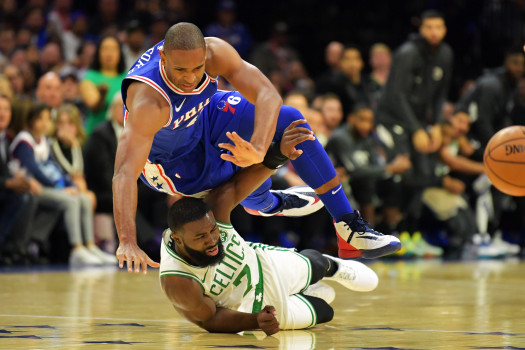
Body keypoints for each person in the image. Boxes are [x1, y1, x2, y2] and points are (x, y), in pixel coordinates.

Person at [114, 22, 400, 274]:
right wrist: (127, 240)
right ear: (163, 57)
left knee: (289, 119)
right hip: (173, 163)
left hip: (204, 115)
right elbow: (124, 174)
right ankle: (268, 205)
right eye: (180, 70)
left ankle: (347, 226)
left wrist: (259, 147)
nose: (190, 78)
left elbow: (267, 93)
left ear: (206, 54)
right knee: (234, 190)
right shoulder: (149, 103)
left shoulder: (216, 52)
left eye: (197, 68)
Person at [159, 120, 379, 334]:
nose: (211, 239)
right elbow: (211, 318)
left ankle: (337, 268)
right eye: (201, 237)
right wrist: (255, 321)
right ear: (178, 239)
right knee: (325, 310)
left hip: (263, 264)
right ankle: (303, 292)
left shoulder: (214, 211)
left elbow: (240, 185)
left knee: (319, 263)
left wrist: (278, 153)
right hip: (250, 306)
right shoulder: (178, 281)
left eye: (212, 231)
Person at [10, 104, 116, 267]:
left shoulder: (43, 140)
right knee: (71, 200)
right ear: (31, 121)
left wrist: (68, 185)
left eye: (47, 119)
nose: (45, 123)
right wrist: (60, 187)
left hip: (43, 187)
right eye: (40, 119)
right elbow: (35, 170)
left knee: (83, 199)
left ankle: (89, 245)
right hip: (28, 187)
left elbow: (54, 169)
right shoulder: (25, 140)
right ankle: (77, 248)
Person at [80, 35, 127, 135]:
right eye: (105, 49)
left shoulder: (128, 77)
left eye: (114, 49)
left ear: (120, 54)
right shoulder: (90, 77)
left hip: (122, 136)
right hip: (96, 137)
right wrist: (102, 96)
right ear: (98, 53)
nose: (109, 53)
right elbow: (94, 106)